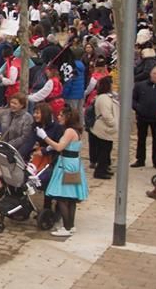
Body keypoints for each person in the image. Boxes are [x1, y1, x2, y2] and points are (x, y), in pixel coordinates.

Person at [37, 106, 89, 237]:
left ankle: (66, 227)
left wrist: (45, 138)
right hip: (74, 164)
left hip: (66, 165)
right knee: (71, 198)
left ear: (68, 117)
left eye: (61, 115)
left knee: (62, 197)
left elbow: (60, 147)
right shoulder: (75, 131)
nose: (58, 117)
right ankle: (70, 226)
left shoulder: (69, 131)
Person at [131, 66, 156, 168]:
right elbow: (133, 99)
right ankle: (140, 159)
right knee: (141, 139)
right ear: (151, 74)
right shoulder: (140, 86)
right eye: (155, 74)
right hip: (142, 117)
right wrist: (138, 108)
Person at [89, 76, 118, 179]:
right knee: (104, 151)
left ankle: (104, 168)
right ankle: (100, 171)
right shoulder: (103, 98)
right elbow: (106, 115)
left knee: (106, 150)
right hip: (104, 128)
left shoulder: (106, 96)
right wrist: (113, 123)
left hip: (105, 129)